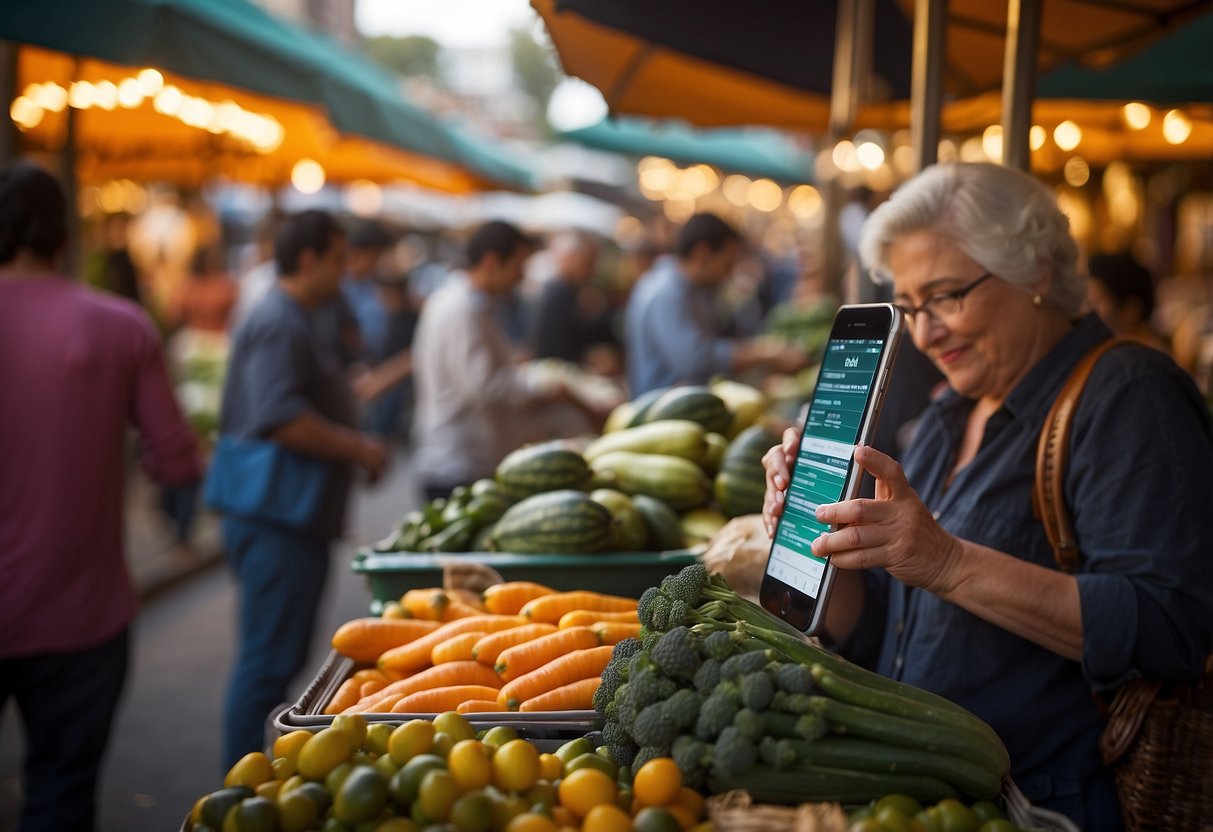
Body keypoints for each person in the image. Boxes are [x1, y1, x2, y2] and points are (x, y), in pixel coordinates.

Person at [761, 162, 1213, 828]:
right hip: (922, 802)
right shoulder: (948, 410)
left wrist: (949, 563)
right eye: (911, 307)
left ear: (1032, 271)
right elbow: (882, 628)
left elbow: (1171, 625)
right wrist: (820, 535)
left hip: (1042, 806)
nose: (923, 333)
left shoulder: (1127, 394)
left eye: (946, 297)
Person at [0, 162, 202, 831]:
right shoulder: (121, 326)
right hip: (80, 612)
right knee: (62, 788)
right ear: (63, 236)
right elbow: (176, 461)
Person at [216, 209, 388, 768]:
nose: (346, 272)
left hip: (293, 517)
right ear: (309, 259)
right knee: (265, 662)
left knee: (276, 659)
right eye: (338, 260)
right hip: (276, 519)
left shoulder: (296, 317)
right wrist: (356, 447)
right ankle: (238, 791)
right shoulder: (279, 320)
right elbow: (280, 417)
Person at [411, 220, 595, 500]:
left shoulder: (470, 304)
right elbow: (487, 388)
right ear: (492, 261)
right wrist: (546, 390)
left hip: (467, 458)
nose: (520, 276)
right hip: (458, 463)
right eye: (518, 266)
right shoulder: (461, 309)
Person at [625, 212, 806, 396]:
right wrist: (766, 352)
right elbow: (695, 361)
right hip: (660, 415)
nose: (728, 275)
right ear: (702, 253)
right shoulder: (667, 293)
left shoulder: (680, 288)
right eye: (727, 265)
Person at [1086, 251, 1170, 353]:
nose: (1088, 312)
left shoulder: (1148, 362)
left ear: (1131, 309)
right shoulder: (1108, 352)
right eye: (1089, 302)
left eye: (1097, 302)